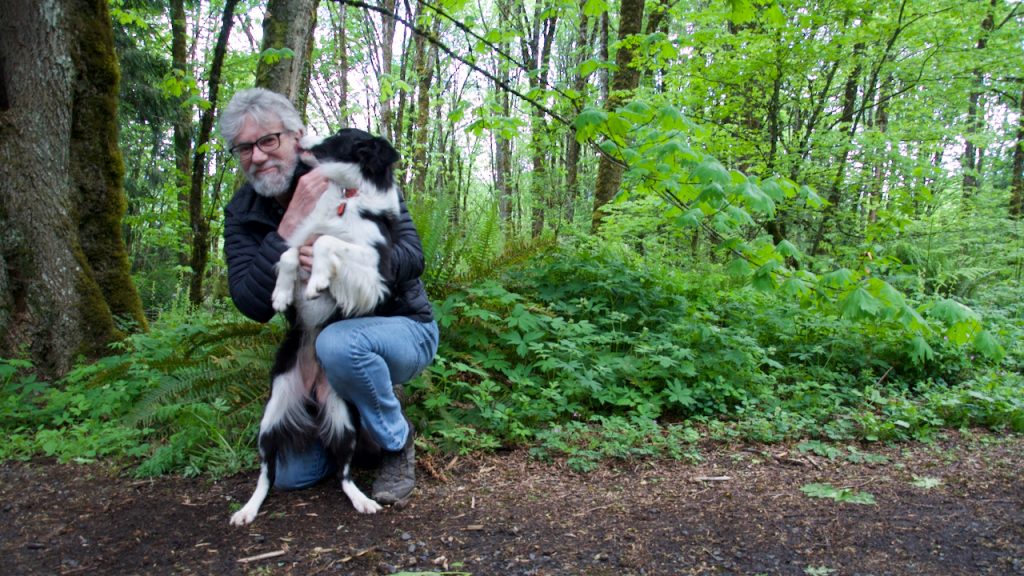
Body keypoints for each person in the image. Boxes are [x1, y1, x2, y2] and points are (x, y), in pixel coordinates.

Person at [220, 87, 438, 505]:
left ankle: (395, 441)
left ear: (297, 135)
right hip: (316, 344)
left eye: (269, 140)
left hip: (403, 326)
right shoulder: (243, 211)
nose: (259, 156)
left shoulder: (351, 170)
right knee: (292, 478)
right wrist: (287, 228)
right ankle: (356, 415)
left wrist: (341, 257)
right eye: (245, 148)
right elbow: (250, 303)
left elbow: (411, 257)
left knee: (338, 343)